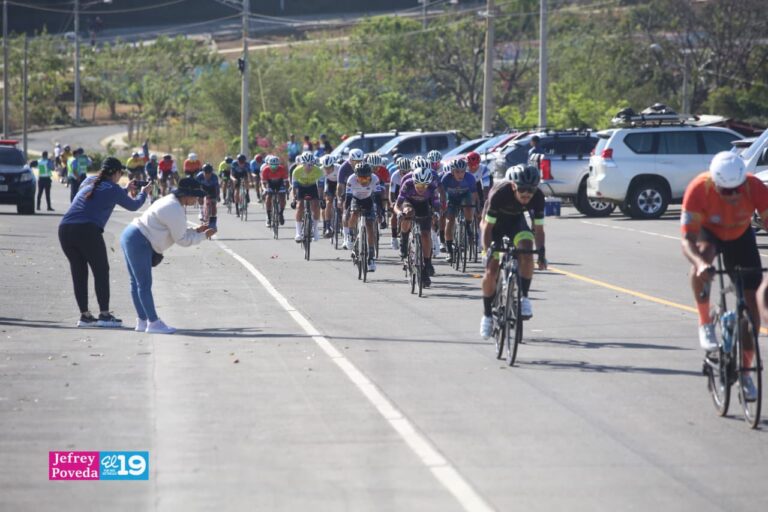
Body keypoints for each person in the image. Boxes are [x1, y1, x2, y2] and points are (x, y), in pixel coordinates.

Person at [681, 152, 768, 400]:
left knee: (751, 313)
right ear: (714, 182)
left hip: (741, 236)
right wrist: (699, 264)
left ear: (744, 182)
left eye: (736, 190)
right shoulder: (699, 188)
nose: (731, 196)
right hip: (710, 234)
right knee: (704, 254)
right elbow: (687, 240)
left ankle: (746, 373)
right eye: (724, 190)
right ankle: (705, 322)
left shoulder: (754, 187)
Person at [59, 157, 151, 328]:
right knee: (101, 270)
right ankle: (104, 315)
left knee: (79, 272)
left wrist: (124, 189)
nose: (121, 175)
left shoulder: (89, 180)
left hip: (65, 229)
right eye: (120, 173)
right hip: (87, 230)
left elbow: (98, 195)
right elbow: (134, 205)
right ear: (116, 173)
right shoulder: (113, 189)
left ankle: (85, 316)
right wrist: (143, 192)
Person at [121, 178, 216, 335]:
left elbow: (178, 230)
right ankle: (153, 323)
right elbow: (183, 240)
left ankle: (142, 320)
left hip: (131, 235)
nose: (196, 199)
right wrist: (204, 236)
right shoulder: (174, 208)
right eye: (195, 196)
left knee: (136, 283)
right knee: (144, 284)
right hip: (139, 240)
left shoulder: (170, 201)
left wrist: (196, 230)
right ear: (187, 195)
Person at [479, 164, 547, 339]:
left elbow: (538, 229)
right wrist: (488, 252)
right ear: (513, 186)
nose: (527, 194)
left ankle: (524, 297)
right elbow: (487, 228)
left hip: (515, 222)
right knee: (491, 269)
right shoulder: (500, 194)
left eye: (530, 190)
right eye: (522, 189)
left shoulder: (538, 197)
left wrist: (541, 253)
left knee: (526, 248)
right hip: (493, 225)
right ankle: (487, 315)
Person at [394, 165, 441, 288]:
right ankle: (404, 240)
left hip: (424, 205)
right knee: (407, 212)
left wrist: (436, 214)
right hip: (409, 203)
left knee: (426, 234)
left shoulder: (432, 186)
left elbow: (436, 204)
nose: (421, 189)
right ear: (414, 181)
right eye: (419, 185)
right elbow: (397, 205)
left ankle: (427, 264)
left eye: (424, 186)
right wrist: (399, 213)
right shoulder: (408, 184)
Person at [441, 158, 478, 263]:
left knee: (468, 205)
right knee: (450, 221)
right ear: (452, 171)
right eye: (457, 171)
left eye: (463, 171)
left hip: (465, 197)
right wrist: (442, 207)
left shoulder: (470, 178)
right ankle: (449, 250)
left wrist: (476, 207)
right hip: (451, 199)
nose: (460, 174)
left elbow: (474, 194)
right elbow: (441, 194)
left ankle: (468, 225)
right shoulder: (446, 178)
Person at [346, 163, 380, 272]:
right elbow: (348, 198)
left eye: (367, 178)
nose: (364, 181)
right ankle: (351, 234)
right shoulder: (351, 180)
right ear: (356, 176)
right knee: (354, 213)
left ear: (371, 175)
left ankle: (371, 257)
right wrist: (346, 212)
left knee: (370, 226)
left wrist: (381, 211)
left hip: (368, 200)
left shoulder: (375, 179)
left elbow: (378, 197)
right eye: (361, 178)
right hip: (355, 199)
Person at [291, 151, 324, 242]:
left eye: (311, 165)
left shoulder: (318, 170)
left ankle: (315, 228)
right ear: (302, 164)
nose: (309, 167)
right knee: (300, 206)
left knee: (316, 206)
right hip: (301, 187)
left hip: (312, 187)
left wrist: (321, 198)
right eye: (306, 165)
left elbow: (320, 186)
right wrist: (294, 198)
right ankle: (298, 232)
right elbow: (294, 187)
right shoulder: (296, 171)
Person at [336, 148, 365, 249]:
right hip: (348, 190)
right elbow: (340, 186)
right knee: (347, 211)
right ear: (350, 160)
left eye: (360, 161)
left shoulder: (365, 166)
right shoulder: (344, 168)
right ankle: (346, 237)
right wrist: (340, 199)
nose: (357, 163)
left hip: (362, 190)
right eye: (355, 161)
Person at [261, 155, 289, 228]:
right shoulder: (265, 170)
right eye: (272, 166)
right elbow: (263, 183)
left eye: (275, 166)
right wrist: (264, 189)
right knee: (268, 197)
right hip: (270, 184)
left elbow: (286, 182)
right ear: (268, 165)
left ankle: (281, 213)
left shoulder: (282, 169)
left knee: (282, 198)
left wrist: (287, 190)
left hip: (280, 184)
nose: (274, 168)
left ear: (278, 165)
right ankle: (269, 217)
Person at [195, 163, 220, 230]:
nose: (207, 175)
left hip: (212, 189)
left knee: (213, 204)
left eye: (209, 173)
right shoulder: (199, 176)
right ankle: (201, 211)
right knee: (200, 197)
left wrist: (218, 195)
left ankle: (212, 220)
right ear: (203, 172)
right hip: (203, 188)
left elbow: (217, 187)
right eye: (206, 173)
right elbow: (195, 186)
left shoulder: (214, 177)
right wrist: (196, 194)